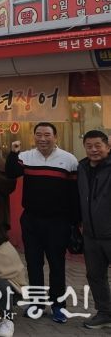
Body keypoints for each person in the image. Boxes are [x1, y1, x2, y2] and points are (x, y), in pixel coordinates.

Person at [6, 122, 79, 323]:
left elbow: (74, 194)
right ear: (34, 137)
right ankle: (36, 304)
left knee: (57, 264)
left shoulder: (69, 160)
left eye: (47, 134)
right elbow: (12, 172)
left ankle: (58, 306)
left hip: (58, 222)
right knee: (33, 264)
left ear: (56, 137)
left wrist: (75, 223)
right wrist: (13, 153)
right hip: (31, 219)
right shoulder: (26, 156)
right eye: (38, 134)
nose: (43, 138)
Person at [76, 130, 111, 329]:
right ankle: (105, 313)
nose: (94, 150)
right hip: (91, 234)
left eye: (98, 145)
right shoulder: (82, 167)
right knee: (95, 275)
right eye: (89, 146)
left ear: (108, 146)